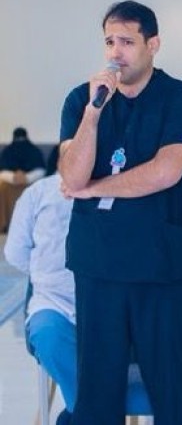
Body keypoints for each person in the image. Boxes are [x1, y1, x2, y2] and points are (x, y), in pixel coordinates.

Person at [58, 0, 182, 424]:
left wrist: (94, 189)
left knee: (169, 390)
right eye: (109, 42)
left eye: (126, 42)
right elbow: (71, 174)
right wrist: (93, 113)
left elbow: (166, 171)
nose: (115, 53)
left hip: (160, 265)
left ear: (152, 44)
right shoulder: (82, 99)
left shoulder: (180, 97)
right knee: (97, 392)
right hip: (98, 264)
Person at [4, 169, 75, 425]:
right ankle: (84, 410)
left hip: (108, 303)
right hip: (53, 302)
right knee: (49, 337)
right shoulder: (38, 193)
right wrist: (47, 273)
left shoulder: (117, 187)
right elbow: (15, 252)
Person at [0, 127, 47, 232]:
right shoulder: (7, 151)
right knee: (2, 188)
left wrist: (27, 178)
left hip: (30, 183)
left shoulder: (33, 151)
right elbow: (1, 171)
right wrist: (13, 177)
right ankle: (4, 225)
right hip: (9, 184)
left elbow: (41, 171)